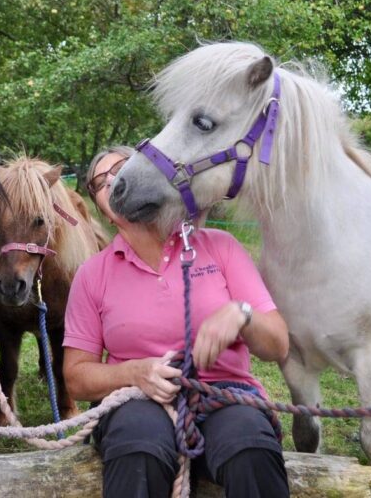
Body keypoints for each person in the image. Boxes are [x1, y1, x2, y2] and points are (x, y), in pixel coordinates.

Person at [64, 145, 291, 498]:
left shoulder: (220, 246)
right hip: (134, 399)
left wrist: (241, 313)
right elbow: (76, 377)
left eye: (122, 168)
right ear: (103, 210)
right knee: (138, 447)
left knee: (250, 445)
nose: (114, 179)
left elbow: (277, 344)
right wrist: (134, 373)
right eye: (101, 181)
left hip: (224, 394)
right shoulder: (92, 275)